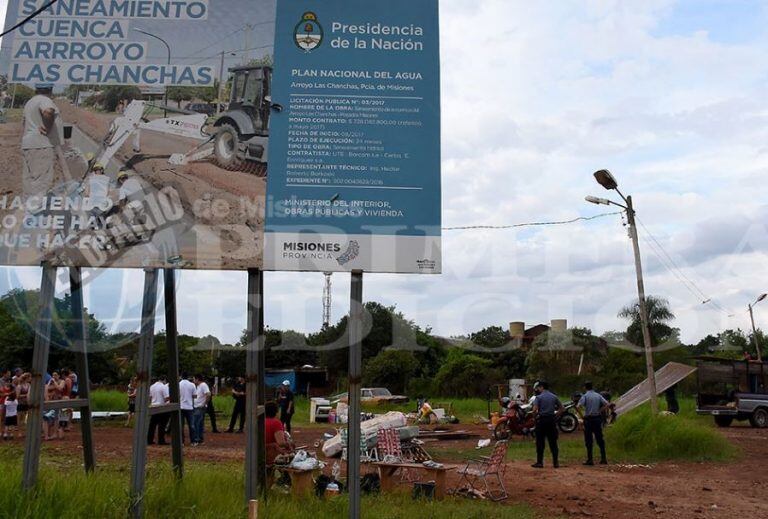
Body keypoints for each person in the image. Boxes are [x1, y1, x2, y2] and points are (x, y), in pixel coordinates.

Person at [21, 84, 63, 200]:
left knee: (29, 180)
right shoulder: (45, 100)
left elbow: (24, 124)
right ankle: (36, 212)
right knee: (41, 181)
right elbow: (48, 111)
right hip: (41, 145)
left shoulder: (30, 102)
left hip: (28, 144)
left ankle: (28, 209)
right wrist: (47, 127)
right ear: (50, 90)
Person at [531, 381, 563, 469]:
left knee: (540, 442)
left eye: (538, 387)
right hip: (551, 421)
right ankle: (556, 463)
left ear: (542, 387)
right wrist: (555, 416)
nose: (538, 389)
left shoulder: (539, 397)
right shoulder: (554, 397)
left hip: (542, 421)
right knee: (553, 442)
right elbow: (561, 408)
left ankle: (540, 462)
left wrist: (535, 417)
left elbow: (534, 410)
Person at [578, 381, 609, 466]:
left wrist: (582, 416)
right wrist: (600, 411)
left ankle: (590, 459)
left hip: (588, 419)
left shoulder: (585, 396)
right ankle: (603, 458)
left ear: (585, 387)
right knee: (600, 438)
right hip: (597, 418)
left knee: (588, 439)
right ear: (592, 387)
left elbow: (578, 406)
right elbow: (607, 404)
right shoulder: (598, 395)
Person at [147, 376, 170, 445]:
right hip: (161, 407)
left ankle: (149, 440)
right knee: (162, 425)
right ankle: (161, 440)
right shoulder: (163, 387)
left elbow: (150, 397)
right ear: (164, 380)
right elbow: (166, 398)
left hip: (153, 406)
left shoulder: (152, 386)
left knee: (152, 425)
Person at [192, 374, 211, 446]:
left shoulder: (203, 385)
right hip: (198, 407)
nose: (193, 381)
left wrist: (205, 404)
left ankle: (197, 439)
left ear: (197, 379)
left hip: (200, 407)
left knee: (196, 423)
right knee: (199, 424)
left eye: (194, 379)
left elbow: (208, 394)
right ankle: (200, 439)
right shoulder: (199, 386)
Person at [178, 373, 196, 443]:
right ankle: (193, 441)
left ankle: (181, 442)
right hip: (189, 407)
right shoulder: (192, 385)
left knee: (181, 425)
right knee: (191, 425)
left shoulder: (178, 384)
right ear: (188, 377)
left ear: (181, 377)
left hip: (181, 406)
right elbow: (195, 396)